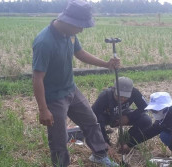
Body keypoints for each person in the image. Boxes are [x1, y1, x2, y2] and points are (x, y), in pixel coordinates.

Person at [32, 0, 120, 167]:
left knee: (91, 121)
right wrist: (43, 110)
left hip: (70, 88)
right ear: (67, 20)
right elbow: (37, 78)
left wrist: (106, 64)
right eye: (79, 26)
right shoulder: (44, 42)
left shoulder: (70, 34)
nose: (81, 29)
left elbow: (80, 53)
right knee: (58, 138)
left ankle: (100, 155)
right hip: (54, 97)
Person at [92, 77, 152, 151]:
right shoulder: (104, 96)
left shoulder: (135, 92)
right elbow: (94, 116)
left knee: (146, 120)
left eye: (126, 96)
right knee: (98, 120)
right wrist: (104, 141)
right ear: (114, 89)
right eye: (119, 95)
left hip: (123, 113)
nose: (122, 99)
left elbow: (145, 107)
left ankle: (126, 140)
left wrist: (128, 117)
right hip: (106, 117)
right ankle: (106, 143)